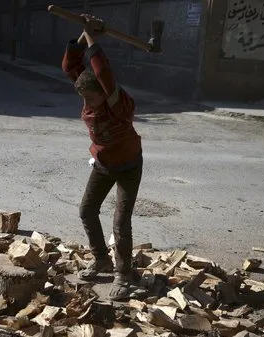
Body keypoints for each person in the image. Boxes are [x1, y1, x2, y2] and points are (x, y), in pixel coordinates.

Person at [62, 15, 155, 301]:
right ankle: (101, 258)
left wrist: (92, 38)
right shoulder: (90, 94)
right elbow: (71, 66)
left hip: (128, 166)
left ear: (103, 93)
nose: (87, 103)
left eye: (91, 98)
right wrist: (83, 33)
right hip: (103, 163)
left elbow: (103, 71)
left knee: (120, 222)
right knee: (87, 210)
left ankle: (123, 276)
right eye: (84, 99)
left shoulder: (119, 104)